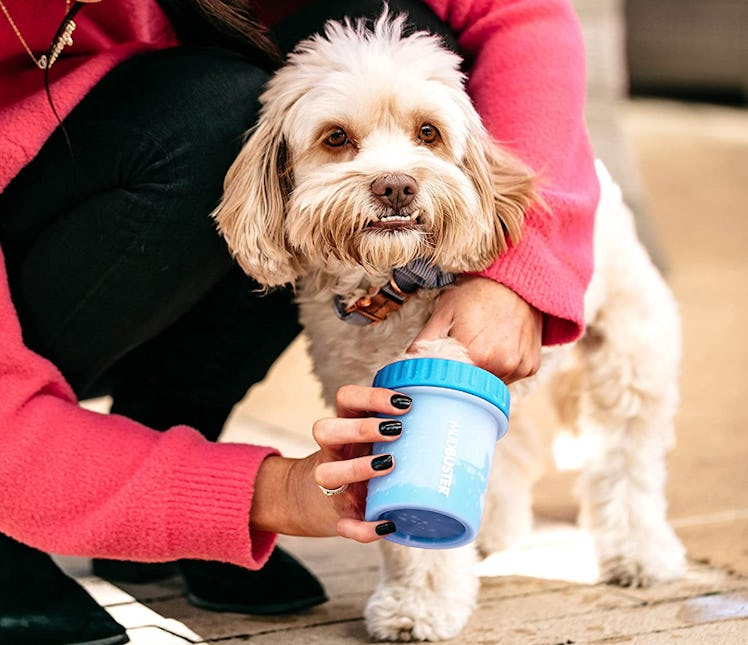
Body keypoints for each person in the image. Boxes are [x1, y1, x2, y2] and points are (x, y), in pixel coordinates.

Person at [0, 0, 599, 644]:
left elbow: (520, 16)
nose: (393, 178)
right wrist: (271, 493)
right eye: (340, 139)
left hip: (110, 95)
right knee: (215, 110)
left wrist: (514, 273)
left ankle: (157, 448)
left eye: (425, 135)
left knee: (373, 16)